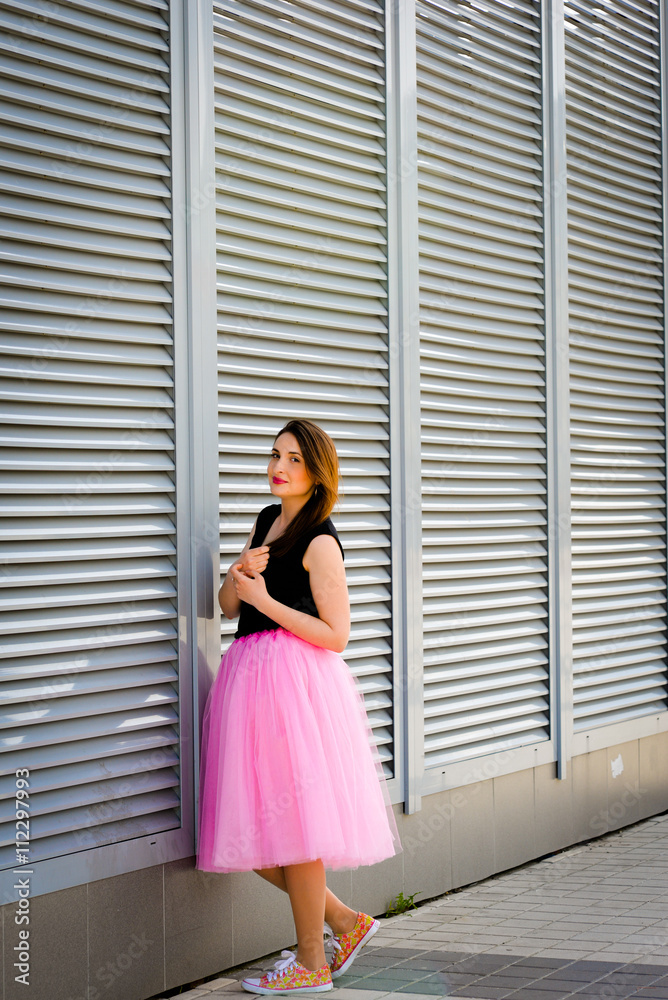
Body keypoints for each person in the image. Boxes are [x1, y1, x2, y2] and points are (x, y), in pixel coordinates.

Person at [196, 417, 401, 994]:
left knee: (293, 824)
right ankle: (344, 921)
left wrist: (267, 598)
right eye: (274, 456)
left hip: (293, 685)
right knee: (254, 832)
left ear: (316, 474)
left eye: (293, 460)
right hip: (249, 680)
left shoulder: (321, 541)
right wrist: (240, 576)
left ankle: (313, 961)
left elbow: (337, 635)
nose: (277, 468)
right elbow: (229, 606)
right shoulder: (267, 520)